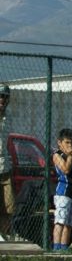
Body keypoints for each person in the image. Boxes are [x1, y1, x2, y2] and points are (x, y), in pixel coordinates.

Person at [51, 128, 72, 251]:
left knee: (69, 223)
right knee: (60, 221)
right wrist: (69, 157)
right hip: (63, 192)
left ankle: (64, 247)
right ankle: (56, 247)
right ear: (60, 142)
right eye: (67, 143)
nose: (70, 146)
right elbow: (65, 170)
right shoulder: (57, 155)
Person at [0, 84, 12, 237]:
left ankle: (4, 237)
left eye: (5, 96)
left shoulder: (8, 117)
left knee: (8, 207)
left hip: (5, 167)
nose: (2, 99)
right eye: (0, 95)